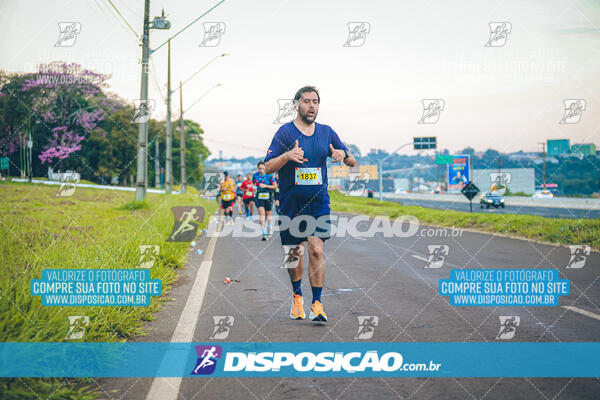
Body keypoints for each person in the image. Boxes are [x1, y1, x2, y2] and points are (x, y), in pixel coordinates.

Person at [264, 86, 356, 322]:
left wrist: (342, 156)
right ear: (297, 104)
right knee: (295, 254)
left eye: (315, 101)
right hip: (291, 203)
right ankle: (297, 297)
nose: (312, 106)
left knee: (316, 249)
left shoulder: (326, 132)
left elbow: (352, 160)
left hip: (318, 203)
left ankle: (317, 303)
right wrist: (286, 156)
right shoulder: (284, 133)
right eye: (306, 101)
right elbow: (268, 166)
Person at [253, 161, 277, 241]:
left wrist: (265, 186)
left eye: (263, 168)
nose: (261, 170)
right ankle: (264, 233)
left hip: (268, 197)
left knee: (268, 216)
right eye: (260, 169)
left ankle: (269, 228)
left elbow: (275, 186)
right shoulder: (255, 175)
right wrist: (253, 188)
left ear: (265, 168)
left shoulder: (270, 176)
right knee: (262, 216)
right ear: (257, 168)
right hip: (259, 197)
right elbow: (254, 185)